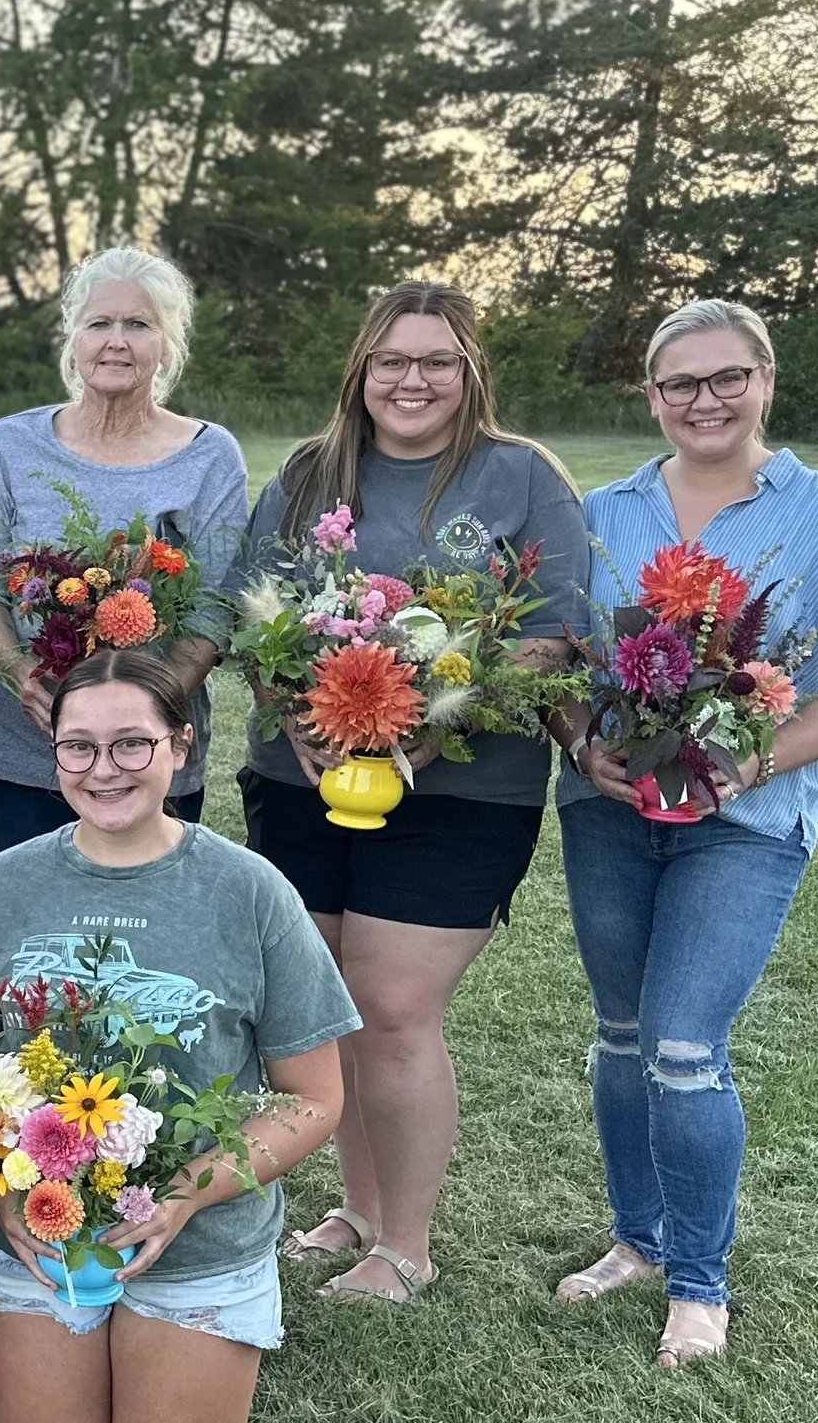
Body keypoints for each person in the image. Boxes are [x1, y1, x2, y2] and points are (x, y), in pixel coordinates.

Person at [0, 648, 355, 1423]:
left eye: (132, 743)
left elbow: (312, 1098)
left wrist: (185, 1198)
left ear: (181, 745)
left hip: (194, 1238)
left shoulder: (251, 891)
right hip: (37, 1232)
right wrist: (3, 1192)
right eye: (78, 746)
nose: (103, 768)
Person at [237, 282, 590, 1304]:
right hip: (301, 774)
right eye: (392, 359)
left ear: (470, 372)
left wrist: (419, 722)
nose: (412, 379)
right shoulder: (310, 474)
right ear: (361, 370)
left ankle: (406, 1247)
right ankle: (355, 1209)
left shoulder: (522, 478)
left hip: (462, 786)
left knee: (392, 1006)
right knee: (328, 1007)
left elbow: (550, 632)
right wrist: (299, 708)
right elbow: (254, 612)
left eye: (436, 360)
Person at [553, 298, 818, 1370]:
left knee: (683, 1046)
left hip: (749, 819)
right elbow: (558, 663)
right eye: (681, 384)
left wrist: (751, 762)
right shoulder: (603, 510)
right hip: (607, 811)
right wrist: (580, 737)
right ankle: (635, 1240)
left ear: (765, 380)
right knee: (623, 1033)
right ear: (651, 397)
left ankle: (699, 1280)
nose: (705, 401)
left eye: (727, 378)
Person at [0, 246, 249, 858]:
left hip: (150, 756)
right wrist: (24, 675)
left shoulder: (210, 455)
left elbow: (216, 607)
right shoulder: (10, 444)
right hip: (19, 748)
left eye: (138, 325)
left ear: (167, 344)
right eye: (100, 323)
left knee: (145, 932)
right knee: (30, 932)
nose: (117, 341)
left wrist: (145, 711)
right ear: (74, 338)